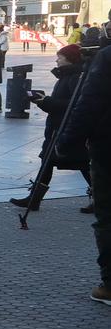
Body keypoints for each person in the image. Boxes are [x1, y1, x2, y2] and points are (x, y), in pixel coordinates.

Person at [58, 41, 111, 302]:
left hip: (107, 149)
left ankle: (110, 285)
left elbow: (87, 104)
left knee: (108, 217)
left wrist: (66, 142)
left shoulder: (106, 58)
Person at [11, 44, 90, 210]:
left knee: (81, 163)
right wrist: (43, 101)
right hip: (58, 127)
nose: (57, 60)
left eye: (60, 57)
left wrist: (46, 101)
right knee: (48, 161)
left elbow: (74, 104)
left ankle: (101, 198)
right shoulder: (67, 76)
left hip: (65, 129)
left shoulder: (75, 78)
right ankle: (34, 200)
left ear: (69, 59)